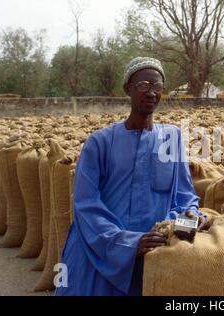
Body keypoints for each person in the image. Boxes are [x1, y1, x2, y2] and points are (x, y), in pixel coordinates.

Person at [56, 57, 203, 296]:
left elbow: (186, 199)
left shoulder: (172, 138)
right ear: (128, 89)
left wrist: (183, 224)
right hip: (99, 257)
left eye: (157, 87)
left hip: (155, 256)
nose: (151, 93)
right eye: (143, 85)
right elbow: (85, 206)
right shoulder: (99, 142)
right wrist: (130, 243)